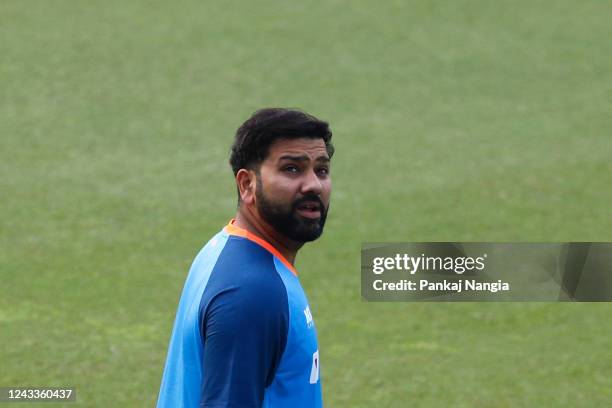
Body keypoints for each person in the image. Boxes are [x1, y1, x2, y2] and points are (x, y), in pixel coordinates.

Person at [157, 108, 334, 407]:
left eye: (321, 170)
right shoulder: (253, 291)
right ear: (247, 184)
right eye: (292, 169)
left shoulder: (229, 247)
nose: (313, 185)